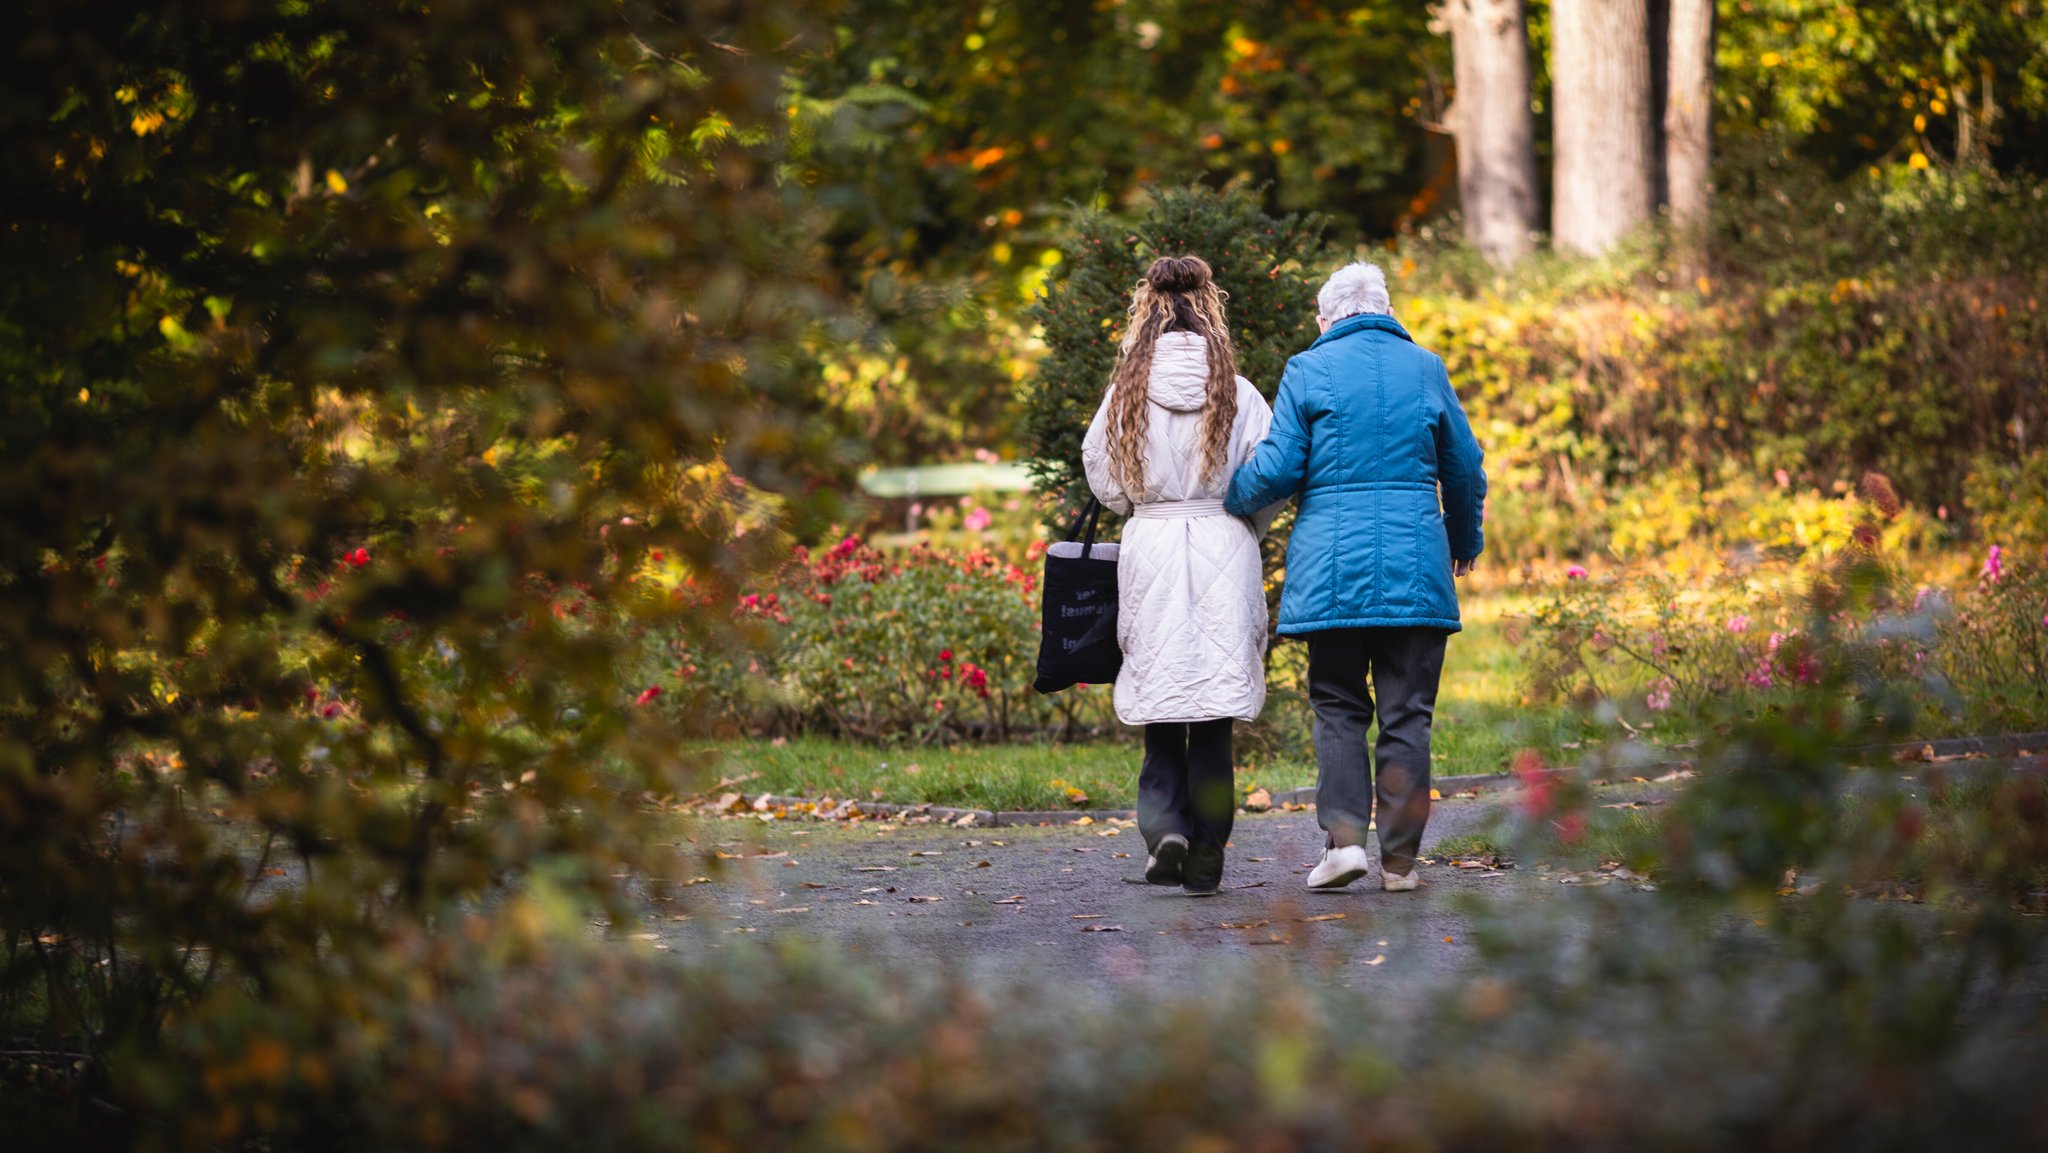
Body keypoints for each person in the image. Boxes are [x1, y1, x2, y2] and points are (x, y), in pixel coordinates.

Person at [1224, 262, 1487, 893]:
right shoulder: (1426, 367)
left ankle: (1344, 845)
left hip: (1332, 570)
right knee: (1408, 715)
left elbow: (1280, 468)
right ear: (1386, 310)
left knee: (1339, 707)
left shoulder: (1308, 369)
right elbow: (1466, 467)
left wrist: (1227, 501)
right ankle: (1399, 864)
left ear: (1326, 317)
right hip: (1416, 567)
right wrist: (1463, 541)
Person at [1082, 255, 1283, 897]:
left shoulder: (1126, 393)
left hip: (1154, 540)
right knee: (1216, 703)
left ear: (1148, 309)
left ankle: (1165, 827)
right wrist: (1243, 520)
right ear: (1208, 308)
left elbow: (1104, 476)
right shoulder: (1238, 391)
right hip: (1223, 537)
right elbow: (1267, 473)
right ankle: (1209, 844)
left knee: (1162, 696)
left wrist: (1143, 504)